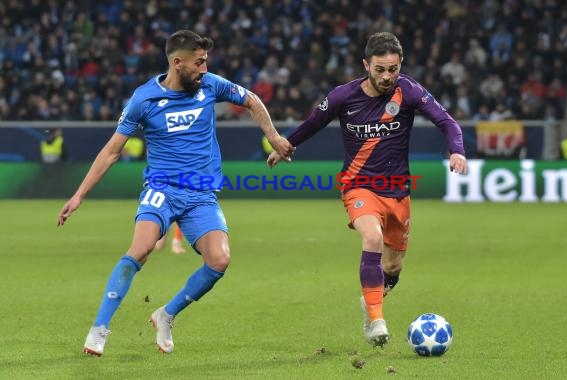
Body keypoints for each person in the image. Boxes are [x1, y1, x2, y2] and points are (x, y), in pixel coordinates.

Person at [57, 30, 294, 356]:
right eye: (198, 62)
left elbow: (251, 99)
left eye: (206, 60)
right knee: (140, 249)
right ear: (177, 62)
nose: (204, 67)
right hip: (162, 189)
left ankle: (166, 314)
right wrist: (79, 194)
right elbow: (112, 151)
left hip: (202, 195)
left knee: (220, 259)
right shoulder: (144, 99)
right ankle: (100, 328)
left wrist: (275, 136)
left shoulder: (210, 85)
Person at [267, 32, 467, 348]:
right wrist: (286, 146)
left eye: (393, 69)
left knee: (393, 266)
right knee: (371, 236)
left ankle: (371, 298)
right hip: (358, 185)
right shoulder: (342, 97)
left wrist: (457, 149)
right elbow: (312, 124)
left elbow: (447, 121)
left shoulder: (410, 91)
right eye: (380, 69)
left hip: (398, 191)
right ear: (366, 65)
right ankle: (376, 319)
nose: (387, 76)